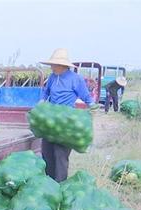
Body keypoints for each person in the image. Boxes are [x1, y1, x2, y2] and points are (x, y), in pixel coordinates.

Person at [40, 48, 98, 182]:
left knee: (60, 156)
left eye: (54, 65)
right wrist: (42, 101)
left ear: (62, 65)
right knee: (47, 153)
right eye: (51, 64)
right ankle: (48, 182)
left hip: (66, 123)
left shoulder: (75, 79)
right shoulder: (53, 77)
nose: (51, 67)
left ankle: (60, 185)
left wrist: (92, 105)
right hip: (51, 120)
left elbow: (85, 96)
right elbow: (46, 92)